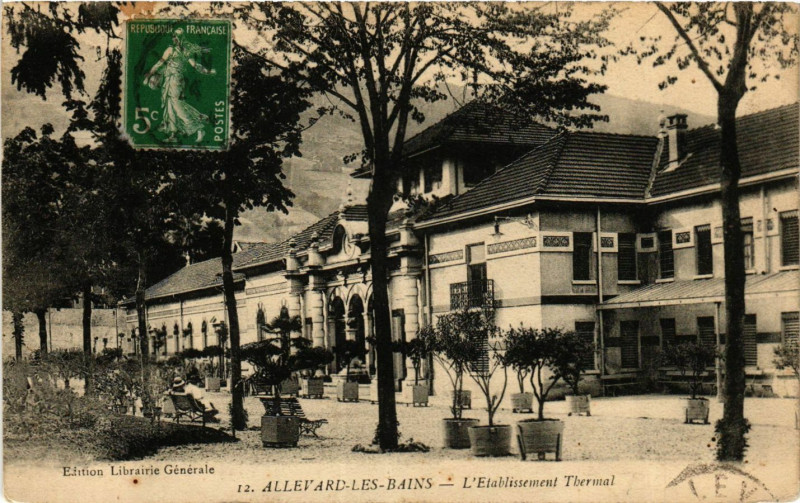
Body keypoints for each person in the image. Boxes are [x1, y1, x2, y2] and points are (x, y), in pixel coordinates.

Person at [142, 27, 216, 143]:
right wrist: (149, 75)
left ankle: (198, 128)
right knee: (170, 106)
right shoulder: (176, 50)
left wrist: (207, 72)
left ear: (180, 38)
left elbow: (195, 65)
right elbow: (160, 64)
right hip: (169, 80)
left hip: (175, 81)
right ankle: (173, 134)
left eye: (176, 37)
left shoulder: (178, 51)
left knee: (177, 105)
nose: (174, 39)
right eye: (174, 37)